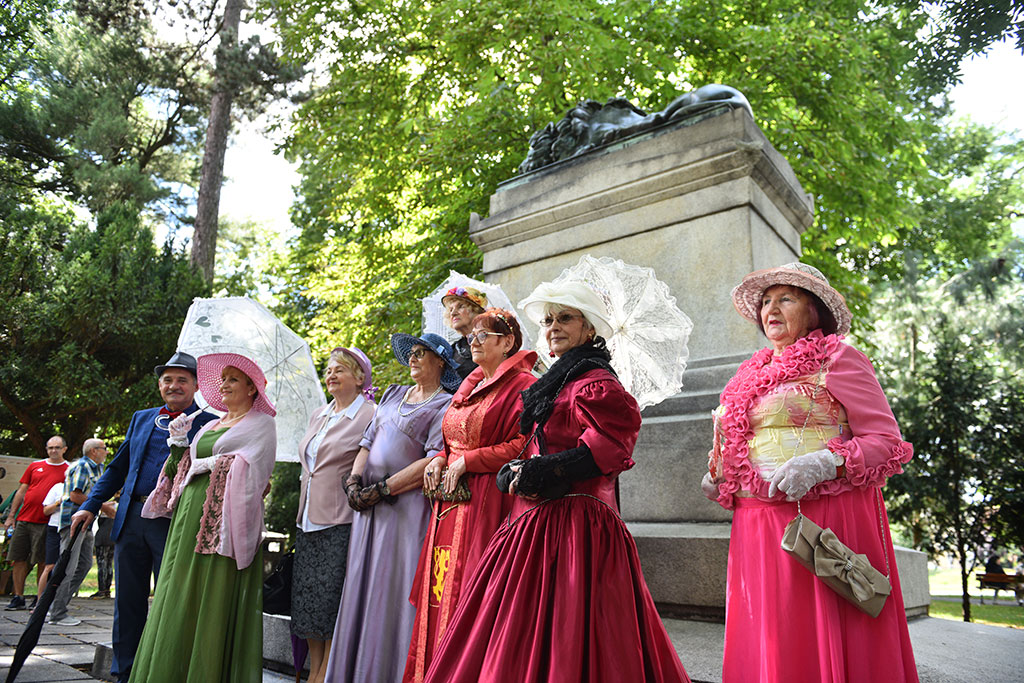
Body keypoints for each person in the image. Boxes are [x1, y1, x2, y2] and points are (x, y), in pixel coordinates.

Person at [424, 281, 690, 683]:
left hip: (578, 529)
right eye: (548, 320)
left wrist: (541, 470)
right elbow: (535, 447)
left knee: (576, 630)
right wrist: (518, 469)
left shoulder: (597, 382)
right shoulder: (557, 384)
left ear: (590, 329)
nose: (552, 327)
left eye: (565, 318)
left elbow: (607, 452)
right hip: (530, 525)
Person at [701, 262, 918, 683]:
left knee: (825, 629)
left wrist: (823, 462)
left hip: (823, 519)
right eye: (765, 301)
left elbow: (887, 441)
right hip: (756, 524)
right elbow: (738, 441)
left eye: (786, 298)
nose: (770, 309)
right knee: (773, 633)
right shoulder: (749, 373)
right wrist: (722, 479)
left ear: (814, 309)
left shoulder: (840, 357)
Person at [404, 309, 537, 682]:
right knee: (438, 594)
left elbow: (525, 445)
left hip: (488, 504)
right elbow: (451, 437)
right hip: (448, 505)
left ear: (507, 342)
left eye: (484, 335)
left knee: (470, 596)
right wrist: (440, 457)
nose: (473, 341)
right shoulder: (469, 385)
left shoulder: (524, 385)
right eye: (473, 335)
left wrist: (469, 461)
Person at [129, 352, 278, 682]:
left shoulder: (262, 425)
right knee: (176, 595)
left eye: (233, 379)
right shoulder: (210, 423)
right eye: (222, 378)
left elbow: (257, 477)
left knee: (209, 600)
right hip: (187, 520)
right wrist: (179, 444)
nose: (223, 384)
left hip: (221, 526)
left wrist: (212, 463)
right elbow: (179, 472)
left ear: (252, 388)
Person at [70, 351, 217, 683]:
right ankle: (125, 673)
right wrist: (90, 505)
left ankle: (165, 672)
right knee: (127, 605)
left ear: (195, 386)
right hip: (131, 520)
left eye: (182, 380)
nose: (173, 385)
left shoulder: (210, 425)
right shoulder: (142, 418)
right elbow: (118, 468)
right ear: (159, 385)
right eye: (167, 379)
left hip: (175, 524)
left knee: (171, 603)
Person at [325, 332, 459, 683]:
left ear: (440, 362)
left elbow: (433, 460)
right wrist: (354, 482)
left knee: (392, 589)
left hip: (405, 508)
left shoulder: (446, 403)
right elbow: (368, 440)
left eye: (421, 354)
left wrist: (384, 489)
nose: (412, 359)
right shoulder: (393, 393)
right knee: (361, 584)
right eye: (411, 354)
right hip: (367, 510)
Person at [292, 347, 376, 683]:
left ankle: (325, 675)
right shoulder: (319, 415)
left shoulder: (371, 413)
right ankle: (315, 669)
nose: (331, 375)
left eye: (340, 369)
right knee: (307, 603)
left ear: (359, 378)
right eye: (328, 369)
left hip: (341, 519)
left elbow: (373, 462)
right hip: (306, 519)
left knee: (329, 603)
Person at [49, 438, 114, 626]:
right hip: (73, 522)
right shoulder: (83, 466)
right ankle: (57, 613)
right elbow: (75, 495)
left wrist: (102, 505)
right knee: (68, 567)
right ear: (94, 451)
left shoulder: (98, 468)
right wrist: (103, 506)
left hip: (87, 523)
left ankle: (57, 606)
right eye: (104, 449)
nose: (106, 452)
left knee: (85, 564)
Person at [3, 435, 69, 611]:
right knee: (18, 558)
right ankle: (18, 597)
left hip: (47, 522)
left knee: (43, 561)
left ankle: (38, 597)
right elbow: (21, 492)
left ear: (64, 449)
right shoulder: (35, 466)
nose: (53, 450)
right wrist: (11, 516)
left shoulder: (69, 469)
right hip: (24, 519)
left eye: (57, 447)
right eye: (50, 448)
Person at [442, 287, 488, 379]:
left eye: (460, 306)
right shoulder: (451, 350)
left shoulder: (490, 341)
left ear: (476, 311)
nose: (453, 313)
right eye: (450, 309)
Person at [37, 480, 65, 595]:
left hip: (72, 529)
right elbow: (46, 511)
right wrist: (59, 503)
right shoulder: (58, 487)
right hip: (55, 528)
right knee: (50, 566)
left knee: (66, 567)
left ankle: (57, 602)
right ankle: (40, 602)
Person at [91, 497, 117, 599]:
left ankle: (102, 589)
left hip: (102, 537)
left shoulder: (106, 505)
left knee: (102, 563)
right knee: (109, 564)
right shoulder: (118, 504)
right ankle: (107, 589)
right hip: (112, 537)